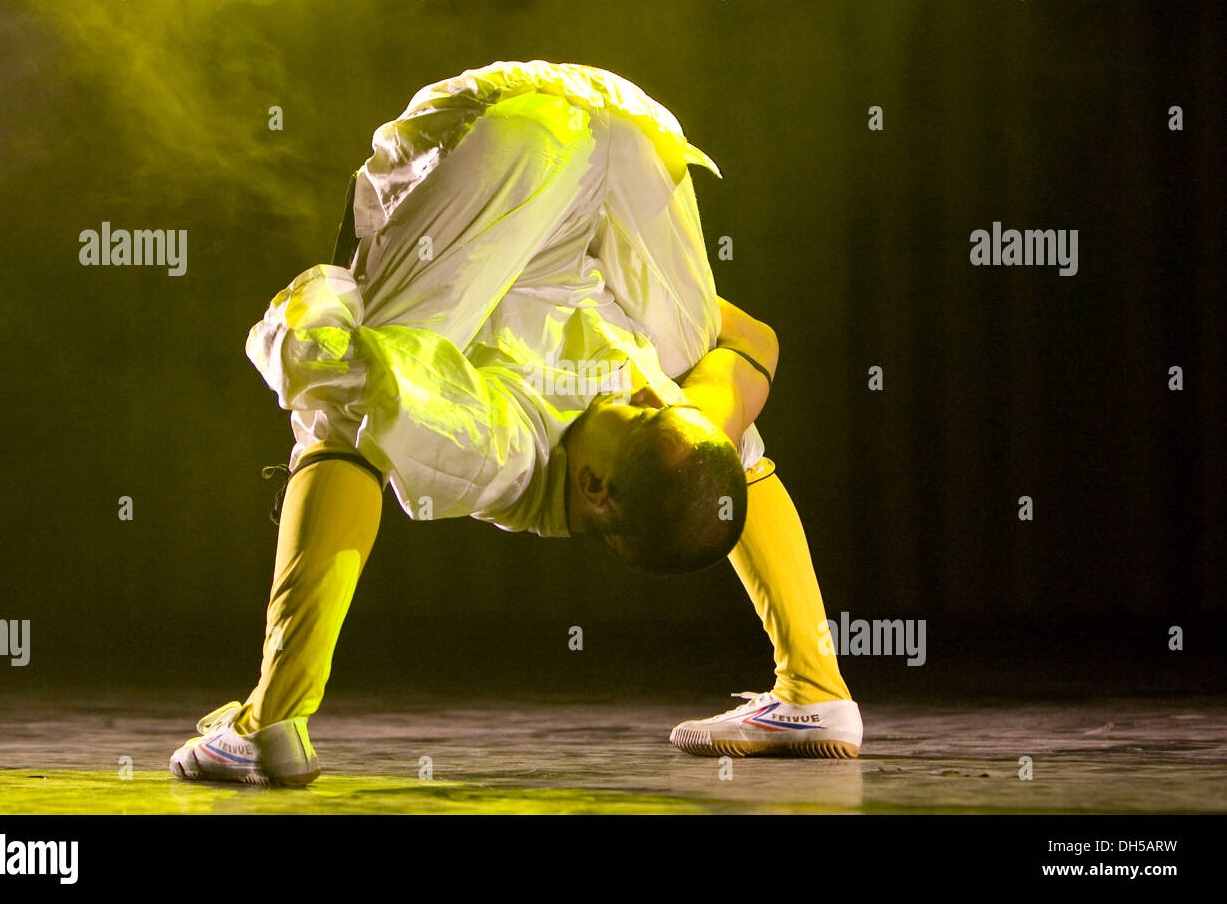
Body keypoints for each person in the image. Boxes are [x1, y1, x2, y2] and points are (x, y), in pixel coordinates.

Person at [169, 61, 861, 786]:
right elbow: (757, 342)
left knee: (355, 408)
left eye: (645, 412)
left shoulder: (503, 451)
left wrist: (324, 307)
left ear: (594, 488)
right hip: (623, 132)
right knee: (706, 422)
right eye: (668, 409)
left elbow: (347, 385)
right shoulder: (665, 406)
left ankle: (272, 717)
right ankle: (813, 686)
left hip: (511, 139)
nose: (651, 392)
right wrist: (692, 412)